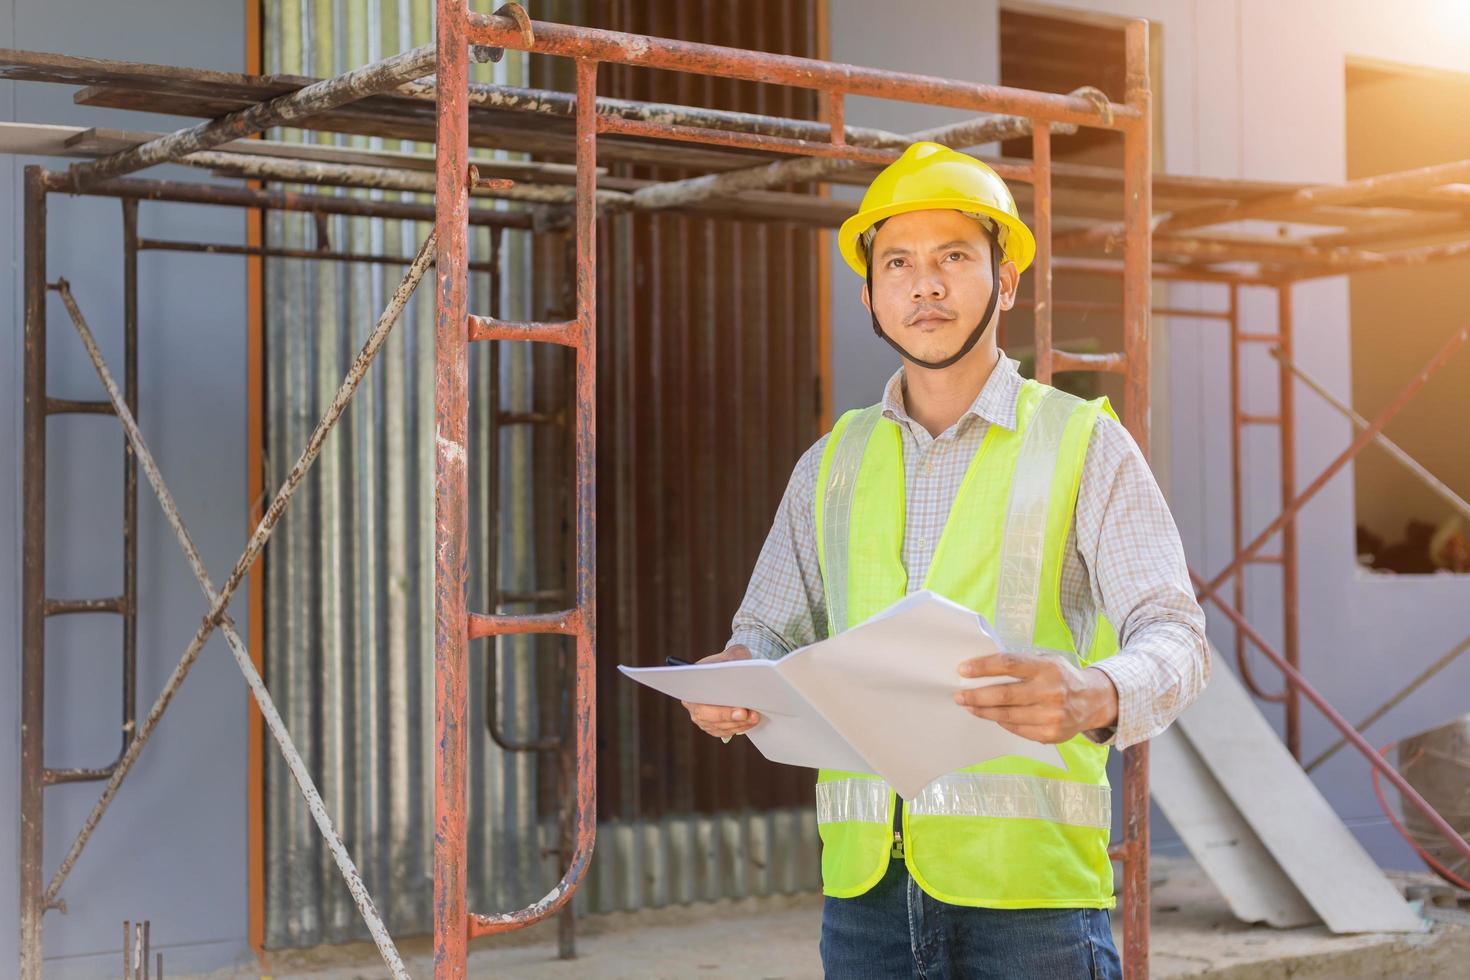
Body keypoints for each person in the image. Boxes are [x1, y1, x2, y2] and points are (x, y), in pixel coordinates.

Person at [679, 141, 1209, 979]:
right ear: (871, 296)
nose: (924, 284)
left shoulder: (1082, 443)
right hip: (866, 902)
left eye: (954, 256)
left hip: (1032, 905)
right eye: (899, 263)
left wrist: (1098, 691)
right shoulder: (831, 463)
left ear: (1006, 281)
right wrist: (734, 678)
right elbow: (765, 632)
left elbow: (1175, 633)